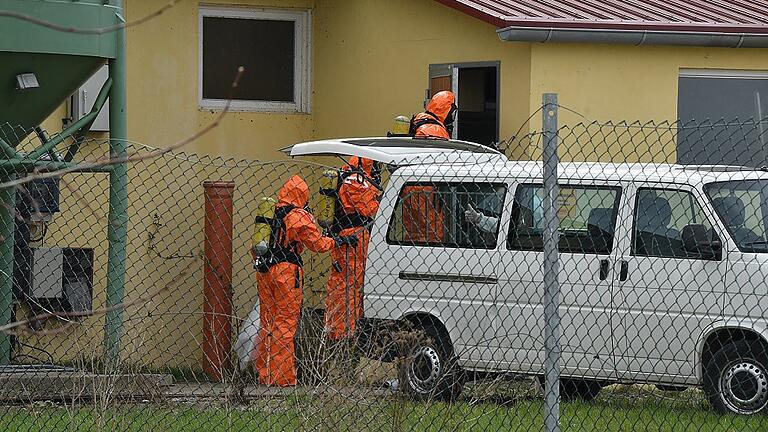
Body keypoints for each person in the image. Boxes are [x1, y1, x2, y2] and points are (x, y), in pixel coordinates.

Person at [255, 175, 358, 387]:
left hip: (264, 270)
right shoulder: (297, 216)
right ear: (302, 195)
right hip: (286, 273)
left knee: (267, 323)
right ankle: (282, 378)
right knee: (285, 324)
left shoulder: (270, 212)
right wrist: (339, 240)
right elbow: (318, 244)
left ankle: (265, 374)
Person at [325, 156, 381, 340]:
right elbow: (369, 209)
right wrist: (379, 197)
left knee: (346, 283)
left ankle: (343, 328)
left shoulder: (347, 177)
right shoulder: (357, 180)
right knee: (350, 284)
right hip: (354, 237)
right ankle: (345, 331)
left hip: (348, 237)